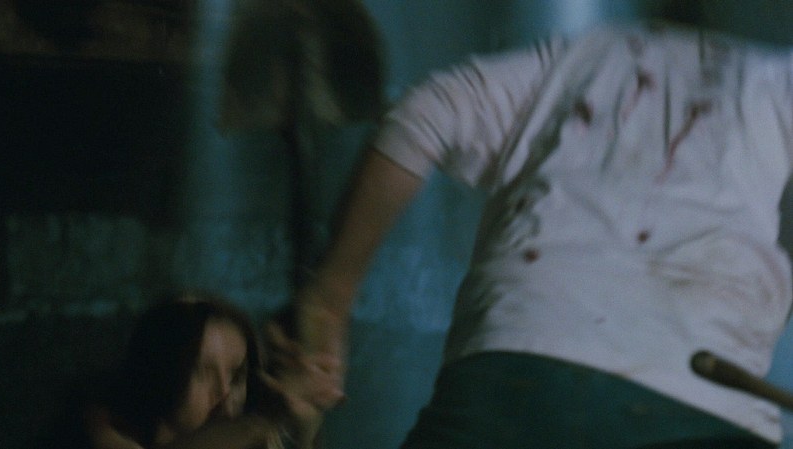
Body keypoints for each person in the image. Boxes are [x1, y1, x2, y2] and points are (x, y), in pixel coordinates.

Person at [289, 19, 793, 449]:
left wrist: (330, 297)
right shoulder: (776, 78)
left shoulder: (584, 58)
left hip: (518, 371)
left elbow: (425, 113)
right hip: (705, 401)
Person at [32, 290, 335, 449]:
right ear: (159, 372)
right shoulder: (101, 427)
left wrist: (305, 434)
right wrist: (266, 419)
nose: (225, 392)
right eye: (202, 371)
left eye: (237, 375)